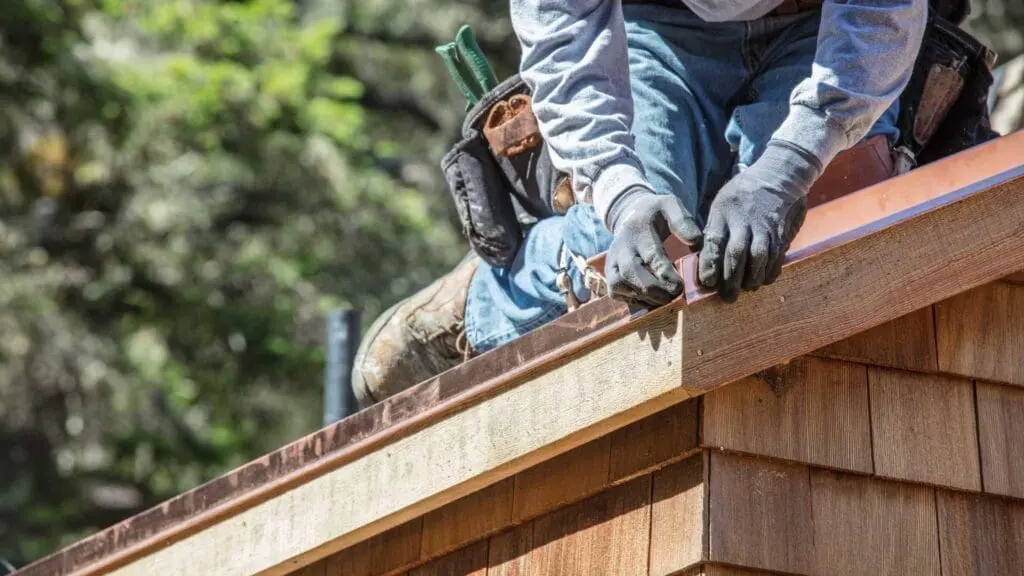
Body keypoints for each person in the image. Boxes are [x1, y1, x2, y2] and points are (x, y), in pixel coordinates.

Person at [351, 0, 928, 407]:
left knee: (828, 211)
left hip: (823, 27)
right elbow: (563, 39)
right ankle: (487, 304)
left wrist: (785, 169)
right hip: (656, 26)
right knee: (638, 247)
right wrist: (621, 194)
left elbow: (879, 16)